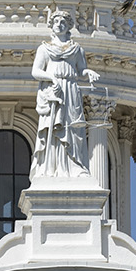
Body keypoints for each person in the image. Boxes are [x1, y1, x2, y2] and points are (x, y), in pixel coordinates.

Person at [31, 10, 100, 178]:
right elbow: (36, 71)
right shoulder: (44, 48)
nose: (59, 24)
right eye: (56, 22)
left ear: (68, 25)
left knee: (74, 127)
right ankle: (50, 167)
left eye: (63, 22)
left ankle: (75, 165)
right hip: (54, 91)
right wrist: (52, 79)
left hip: (70, 90)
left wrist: (88, 72)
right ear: (51, 26)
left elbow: (81, 69)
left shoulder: (76, 49)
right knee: (53, 127)